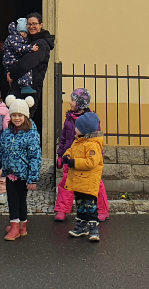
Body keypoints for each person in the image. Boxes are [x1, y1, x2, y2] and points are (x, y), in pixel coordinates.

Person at [0, 95, 41, 241]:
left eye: (19, 115)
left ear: (25, 116)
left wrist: (32, 178)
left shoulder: (31, 134)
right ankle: (15, 226)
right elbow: (0, 152)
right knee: (12, 200)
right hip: (9, 173)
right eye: (13, 115)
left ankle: (20, 226)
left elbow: (35, 157)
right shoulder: (7, 133)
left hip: (23, 174)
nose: (16, 118)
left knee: (21, 200)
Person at [54, 88, 109, 222]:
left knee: (96, 186)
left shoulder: (92, 121)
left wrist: (98, 158)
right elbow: (64, 139)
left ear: (80, 104)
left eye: (72, 100)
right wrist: (60, 155)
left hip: (86, 159)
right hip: (71, 157)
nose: (69, 102)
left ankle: (102, 210)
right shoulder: (68, 119)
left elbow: (96, 140)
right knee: (66, 182)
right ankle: (62, 209)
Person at [63, 111, 105, 242]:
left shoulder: (93, 145)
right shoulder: (78, 142)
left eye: (77, 127)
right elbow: (71, 150)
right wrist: (66, 155)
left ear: (84, 130)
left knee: (90, 207)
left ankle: (94, 229)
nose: (75, 129)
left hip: (88, 182)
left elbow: (91, 162)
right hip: (79, 181)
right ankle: (81, 226)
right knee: (80, 205)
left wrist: (74, 162)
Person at [3, 19, 35, 96]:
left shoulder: (11, 38)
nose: (25, 35)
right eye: (25, 33)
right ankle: (25, 86)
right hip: (13, 61)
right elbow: (19, 48)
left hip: (9, 61)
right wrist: (30, 48)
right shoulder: (16, 39)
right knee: (25, 69)